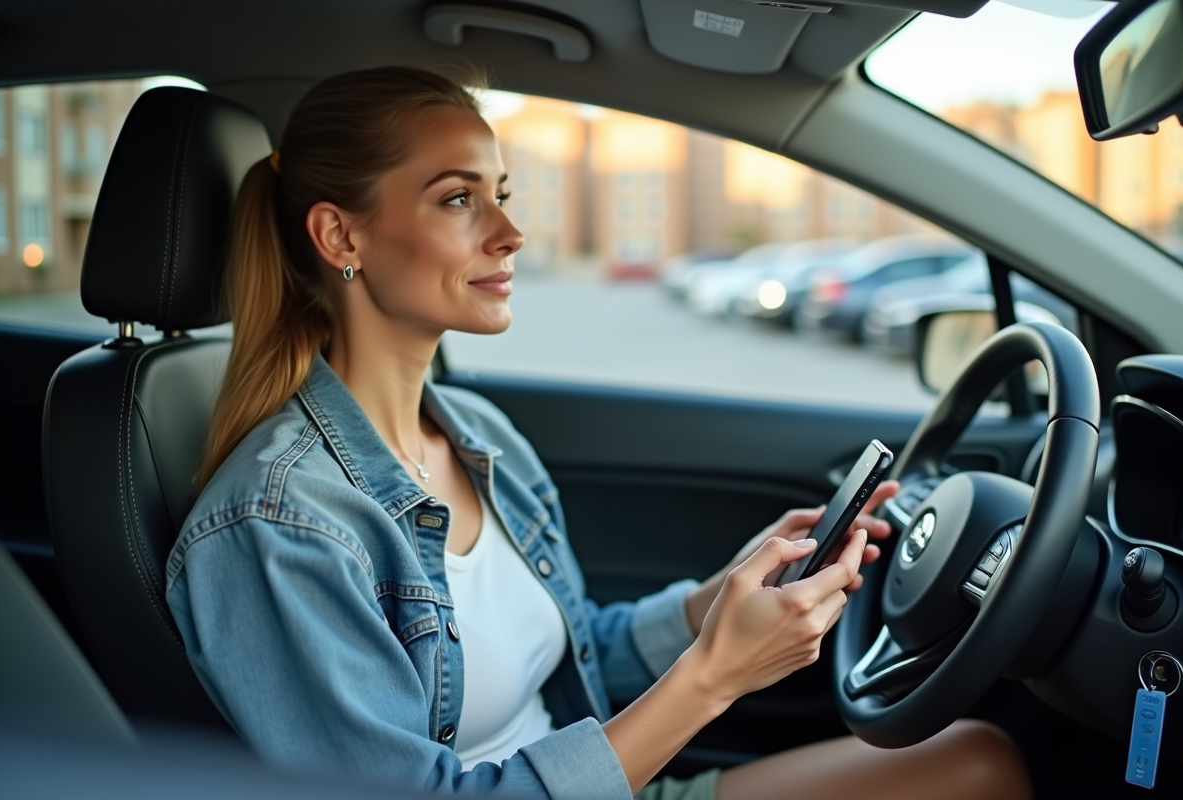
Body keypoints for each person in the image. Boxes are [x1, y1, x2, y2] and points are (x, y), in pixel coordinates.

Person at [165, 65, 1033, 800]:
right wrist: (714, 675)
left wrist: (713, 604)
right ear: (339, 233)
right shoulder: (277, 524)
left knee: (980, 759)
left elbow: (575, 657)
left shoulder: (473, 432)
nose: (511, 233)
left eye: (500, 194)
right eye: (459, 198)